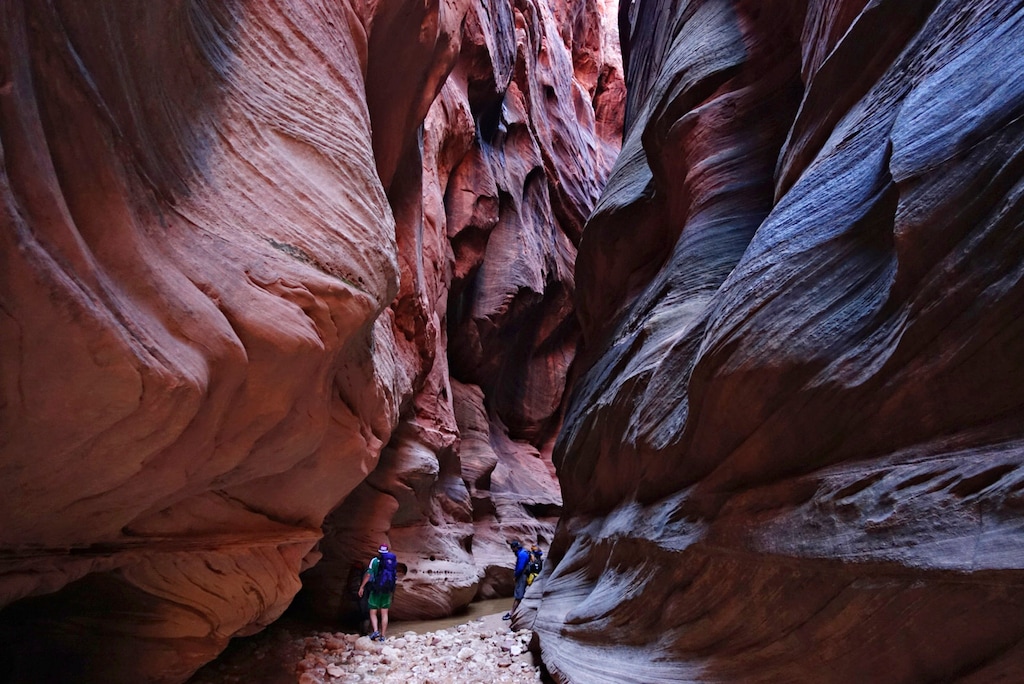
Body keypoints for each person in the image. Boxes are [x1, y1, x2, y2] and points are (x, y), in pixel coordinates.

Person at [358, 544, 398, 641]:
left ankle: (375, 631)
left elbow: (369, 574)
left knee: (373, 612)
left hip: (375, 590)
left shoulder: (374, 561)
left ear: (379, 551)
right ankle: (383, 636)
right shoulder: (390, 561)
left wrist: (362, 587)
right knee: (384, 613)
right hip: (387, 591)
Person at [503, 540, 532, 621]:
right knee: (521, 593)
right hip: (526, 574)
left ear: (515, 548)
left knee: (518, 594)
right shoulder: (524, 552)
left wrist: (516, 576)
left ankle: (511, 613)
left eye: (512, 549)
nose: (512, 551)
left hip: (522, 576)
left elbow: (520, 568)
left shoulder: (522, 554)